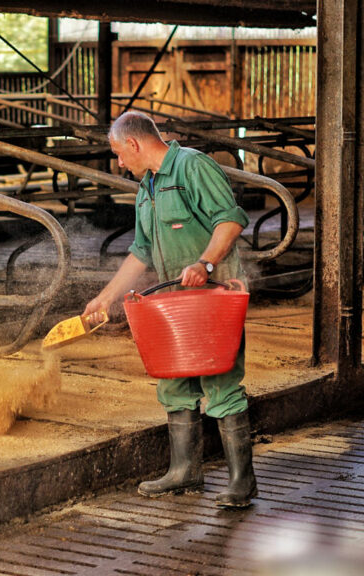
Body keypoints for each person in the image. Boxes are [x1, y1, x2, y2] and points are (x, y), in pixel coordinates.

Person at [83, 111, 257, 508]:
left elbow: (229, 222)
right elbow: (141, 252)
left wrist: (205, 264)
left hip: (214, 293)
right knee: (174, 381)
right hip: (175, 299)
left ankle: (242, 482)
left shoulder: (192, 166)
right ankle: (184, 471)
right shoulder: (146, 187)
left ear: (134, 144)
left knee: (220, 381)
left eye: (119, 155)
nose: (120, 164)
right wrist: (106, 296)